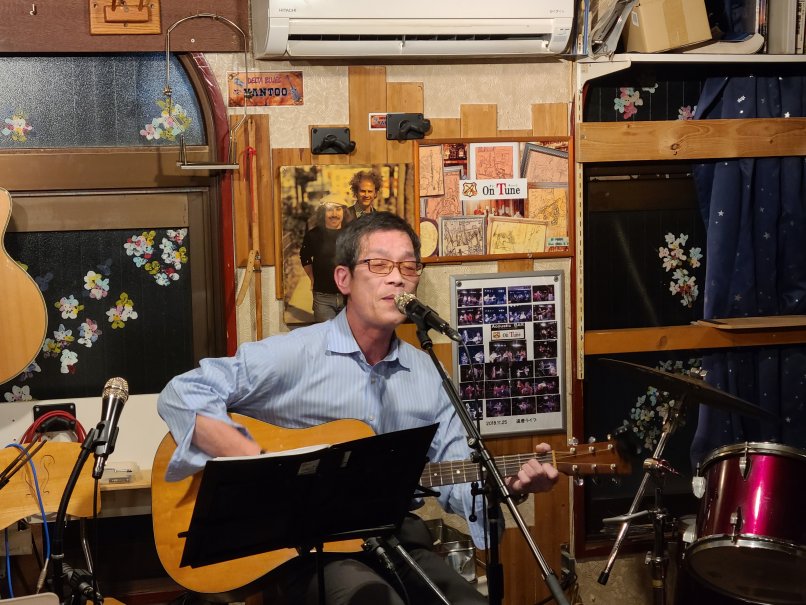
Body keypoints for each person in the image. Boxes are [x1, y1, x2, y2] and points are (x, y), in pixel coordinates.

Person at [157, 211, 559, 605]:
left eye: (408, 266)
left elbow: (457, 479)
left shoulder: (429, 374)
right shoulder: (295, 354)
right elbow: (183, 391)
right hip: (305, 547)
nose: (397, 277)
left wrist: (508, 487)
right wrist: (251, 458)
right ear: (343, 279)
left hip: (393, 537)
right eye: (379, 264)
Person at [299, 194, 351, 322]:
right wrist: (312, 277)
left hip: (349, 297)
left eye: (338, 209)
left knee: (346, 333)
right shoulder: (313, 235)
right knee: (326, 333)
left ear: (344, 212)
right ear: (323, 213)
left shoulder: (352, 234)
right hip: (323, 299)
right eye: (330, 210)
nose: (334, 214)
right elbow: (305, 256)